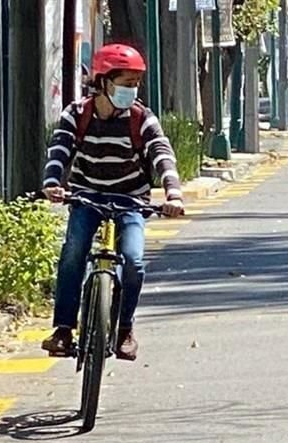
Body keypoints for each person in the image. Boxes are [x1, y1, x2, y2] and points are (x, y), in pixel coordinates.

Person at [41, 43, 185, 360]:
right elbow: (60, 149)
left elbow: (162, 154)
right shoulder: (77, 114)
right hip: (86, 195)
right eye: (126, 83)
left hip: (130, 199)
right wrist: (52, 182)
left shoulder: (141, 118)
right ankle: (63, 329)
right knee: (73, 252)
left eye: (136, 83)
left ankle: (125, 330)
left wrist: (173, 193)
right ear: (104, 82)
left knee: (133, 260)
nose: (132, 90)